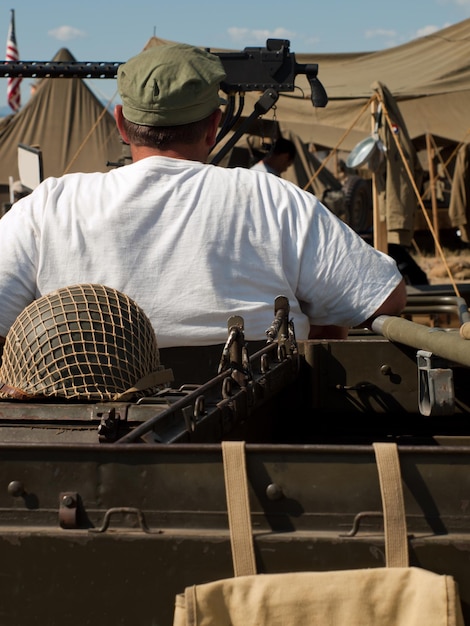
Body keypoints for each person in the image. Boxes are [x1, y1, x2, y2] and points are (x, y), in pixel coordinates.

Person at [0, 42, 406, 358]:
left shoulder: (48, 205)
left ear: (121, 124)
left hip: (86, 450)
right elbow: (384, 297)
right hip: (248, 448)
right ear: (215, 125)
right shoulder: (273, 199)